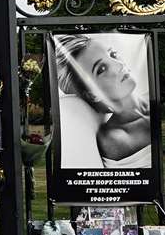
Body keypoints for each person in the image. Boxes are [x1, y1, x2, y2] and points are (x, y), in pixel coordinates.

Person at [50, 34, 152, 168]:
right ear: (93, 94)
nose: (118, 65)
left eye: (113, 54)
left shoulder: (156, 101)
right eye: (101, 69)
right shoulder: (114, 138)